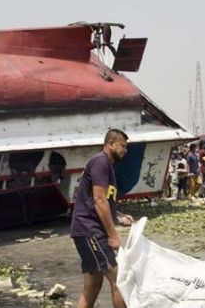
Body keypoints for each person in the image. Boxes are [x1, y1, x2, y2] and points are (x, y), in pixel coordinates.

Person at [70, 129, 134, 308]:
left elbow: (103, 200)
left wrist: (119, 216)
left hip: (88, 231)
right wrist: (113, 235)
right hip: (90, 231)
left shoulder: (107, 165)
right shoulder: (100, 162)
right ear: (111, 143)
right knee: (120, 279)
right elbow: (98, 200)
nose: (125, 150)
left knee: (92, 288)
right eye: (123, 146)